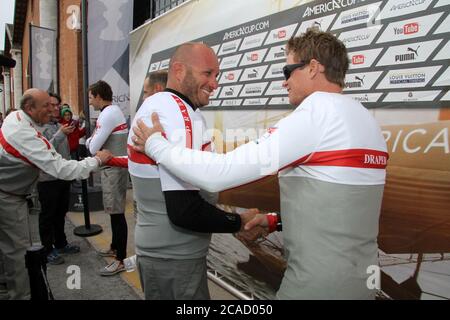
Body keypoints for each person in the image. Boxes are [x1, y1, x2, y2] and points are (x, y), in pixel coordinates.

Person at [132, 30, 389, 300]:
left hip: (315, 287)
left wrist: (155, 145)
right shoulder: (365, 119)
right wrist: (275, 221)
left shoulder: (315, 115)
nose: (284, 82)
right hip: (362, 283)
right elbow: (342, 209)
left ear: (313, 68)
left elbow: (219, 174)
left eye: (288, 71)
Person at [128, 42, 258, 300]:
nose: (214, 83)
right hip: (174, 259)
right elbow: (184, 211)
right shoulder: (176, 111)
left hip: (167, 256)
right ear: (178, 70)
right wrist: (238, 223)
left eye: (217, 75)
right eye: (207, 73)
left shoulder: (173, 108)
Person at [0, 88, 112, 300]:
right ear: (29, 108)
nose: (53, 110)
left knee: (7, 251)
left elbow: (44, 152)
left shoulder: (17, 118)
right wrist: (97, 160)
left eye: (53, 105)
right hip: (8, 197)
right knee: (17, 255)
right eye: (46, 106)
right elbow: (61, 168)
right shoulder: (22, 133)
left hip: (11, 193)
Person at [86, 80, 129, 276]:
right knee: (114, 212)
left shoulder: (108, 113)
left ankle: (120, 259)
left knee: (117, 213)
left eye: (90, 97)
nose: (89, 102)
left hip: (114, 170)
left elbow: (92, 147)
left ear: (98, 96)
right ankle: (114, 247)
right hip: (113, 169)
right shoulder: (111, 112)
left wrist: (88, 141)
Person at [36, 93, 81, 265]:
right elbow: (43, 149)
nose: (56, 108)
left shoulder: (58, 125)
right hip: (47, 179)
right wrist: (61, 134)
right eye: (52, 105)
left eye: (58, 105)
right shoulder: (38, 126)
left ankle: (61, 243)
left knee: (61, 213)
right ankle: (47, 250)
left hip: (62, 176)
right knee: (48, 215)